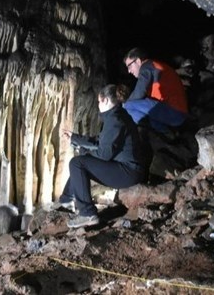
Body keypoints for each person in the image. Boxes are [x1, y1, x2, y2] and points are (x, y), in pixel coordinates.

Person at [54, 84, 146, 228]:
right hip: (129, 169)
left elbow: (104, 154)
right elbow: (100, 141)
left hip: (128, 173)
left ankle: (87, 214)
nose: (98, 105)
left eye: (98, 102)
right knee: (80, 162)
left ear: (105, 100)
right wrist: (75, 138)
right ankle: (66, 200)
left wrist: (84, 153)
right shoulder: (117, 115)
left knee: (77, 163)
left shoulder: (115, 120)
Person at [122, 48, 188, 132]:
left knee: (128, 106)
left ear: (138, 61)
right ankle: (165, 132)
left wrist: (122, 106)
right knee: (141, 105)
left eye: (129, 66)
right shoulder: (153, 66)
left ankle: (158, 132)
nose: (129, 71)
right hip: (177, 112)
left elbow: (139, 93)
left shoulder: (147, 67)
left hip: (174, 112)